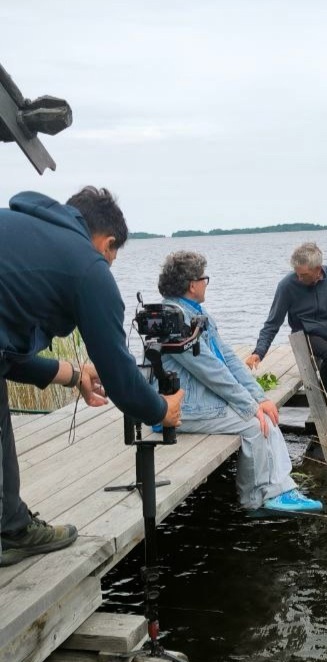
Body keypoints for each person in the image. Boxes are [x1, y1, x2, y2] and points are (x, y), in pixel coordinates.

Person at [0, 187, 184, 569]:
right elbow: (121, 381)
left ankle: (12, 526)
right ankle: (12, 529)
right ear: (108, 242)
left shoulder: (20, 227)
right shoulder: (87, 265)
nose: (110, 263)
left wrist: (71, 374)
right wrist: (160, 410)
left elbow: (6, 354)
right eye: (114, 255)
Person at [157, 251, 322, 514]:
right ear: (192, 284)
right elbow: (212, 372)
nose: (205, 284)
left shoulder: (196, 314)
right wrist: (249, 406)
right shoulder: (175, 320)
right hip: (180, 409)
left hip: (198, 399)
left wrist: (261, 398)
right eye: (204, 279)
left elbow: (229, 360)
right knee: (255, 424)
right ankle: (254, 500)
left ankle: (280, 488)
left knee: (268, 414)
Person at [246, 242, 327, 419]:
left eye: (303, 274)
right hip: (305, 334)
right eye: (296, 273)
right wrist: (259, 352)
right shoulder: (287, 285)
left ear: (317, 269)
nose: (299, 278)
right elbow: (272, 323)